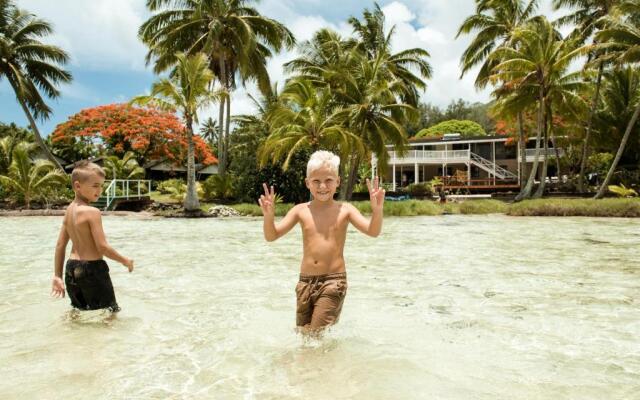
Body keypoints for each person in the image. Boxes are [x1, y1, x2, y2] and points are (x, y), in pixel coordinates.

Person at [259, 150, 384, 334]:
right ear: (307, 183)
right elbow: (271, 236)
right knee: (303, 336)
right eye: (316, 181)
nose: (323, 186)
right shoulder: (300, 210)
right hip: (305, 283)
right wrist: (268, 217)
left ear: (338, 182)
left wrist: (377, 210)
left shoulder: (346, 210)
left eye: (328, 180)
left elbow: (373, 231)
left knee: (315, 336)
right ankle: (315, 364)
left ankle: (319, 362)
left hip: (333, 282)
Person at [51, 161, 134, 312]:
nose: (100, 190)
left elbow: (60, 246)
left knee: (78, 313)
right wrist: (125, 261)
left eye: (101, 185)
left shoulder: (69, 210)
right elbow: (102, 247)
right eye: (95, 185)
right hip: (92, 269)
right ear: (77, 186)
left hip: (71, 270)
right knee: (110, 313)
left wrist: (57, 276)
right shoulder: (92, 212)